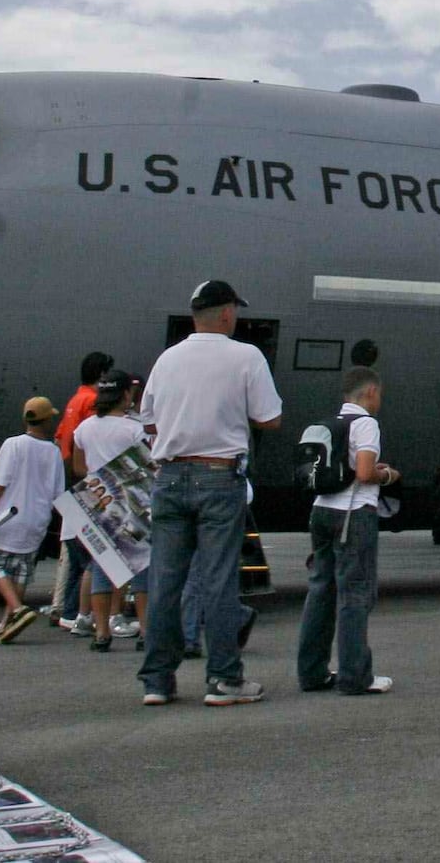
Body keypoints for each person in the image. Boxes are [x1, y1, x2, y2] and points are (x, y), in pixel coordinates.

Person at [137, 279, 283, 707]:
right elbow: (269, 418)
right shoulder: (246, 355)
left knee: (165, 580)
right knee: (219, 581)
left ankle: (158, 681)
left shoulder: (167, 359)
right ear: (225, 313)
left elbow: (148, 420)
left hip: (169, 477)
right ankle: (223, 678)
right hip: (220, 477)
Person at [294, 366, 398, 696]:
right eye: (378, 394)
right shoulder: (366, 424)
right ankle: (355, 676)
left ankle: (311, 672)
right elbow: (365, 473)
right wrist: (387, 475)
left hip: (321, 511)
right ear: (369, 393)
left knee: (321, 590)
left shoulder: (329, 423)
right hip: (354, 515)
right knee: (355, 594)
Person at [70, 369, 148, 651]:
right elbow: (146, 466)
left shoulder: (85, 428)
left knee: (103, 565)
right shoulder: (133, 429)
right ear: (126, 394)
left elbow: (78, 467)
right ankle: (145, 631)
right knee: (141, 565)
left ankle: (101, 632)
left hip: (98, 501)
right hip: (131, 503)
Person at [0, 396, 66, 645]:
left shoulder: (12, 445)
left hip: (8, 517)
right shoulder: (53, 452)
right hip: (36, 520)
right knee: (20, 572)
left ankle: (17, 609)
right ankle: (6, 624)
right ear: (48, 420)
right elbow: (57, 493)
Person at [50, 351, 113, 633]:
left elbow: (62, 435)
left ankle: (65, 608)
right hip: (88, 479)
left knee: (76, 550)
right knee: (93, 555)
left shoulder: (75, 400)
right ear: (101, 375)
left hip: (70, 474)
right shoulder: (91, 402)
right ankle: (78, 611)